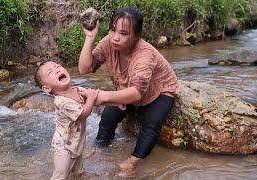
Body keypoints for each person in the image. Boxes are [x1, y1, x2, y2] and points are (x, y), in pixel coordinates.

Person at [79, 7, 179, 176]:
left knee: (151, 124)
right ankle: (101, 148)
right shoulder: (108, 42)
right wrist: (89, 37)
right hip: (127, 88)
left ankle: (133, 162)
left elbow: (137, 93)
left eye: (123, 33)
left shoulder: (145, 53)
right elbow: (84, 68)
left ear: (136, 36)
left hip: (159, 90)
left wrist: (101, 97)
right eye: (113, 30)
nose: (116, 37)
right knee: (109, 116)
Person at [34, 61, 99, 180]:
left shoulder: (76, 90)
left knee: (78, 173)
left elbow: (98, 97)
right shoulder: (61, 101)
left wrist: (117, 101)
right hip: (63, 147)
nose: (57, 69)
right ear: (47, 88)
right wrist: (90, 98)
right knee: (60, 176)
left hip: (76, 142)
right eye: (50, 72)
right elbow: (83, 114)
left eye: (58, 66)